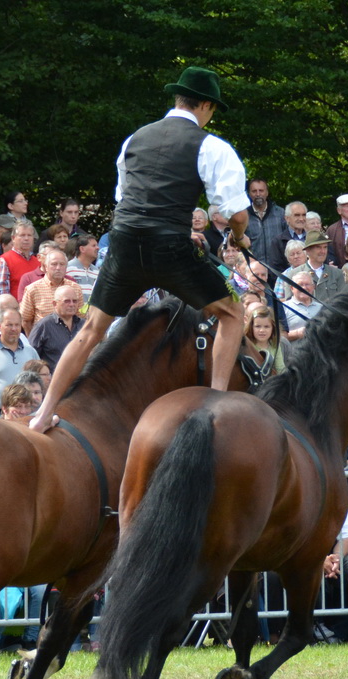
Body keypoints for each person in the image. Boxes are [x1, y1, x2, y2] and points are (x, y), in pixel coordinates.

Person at [31, 68, 250, 434]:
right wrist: (238, 237)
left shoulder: (135, 139)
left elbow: (128, 200)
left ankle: (43, 414)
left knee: (91, 331)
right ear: (206, 105)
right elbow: (236, 213)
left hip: (124, 245)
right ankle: (216, 405)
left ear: (178, 99)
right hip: (170, 250)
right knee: (232, 311)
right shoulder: (211, 145)